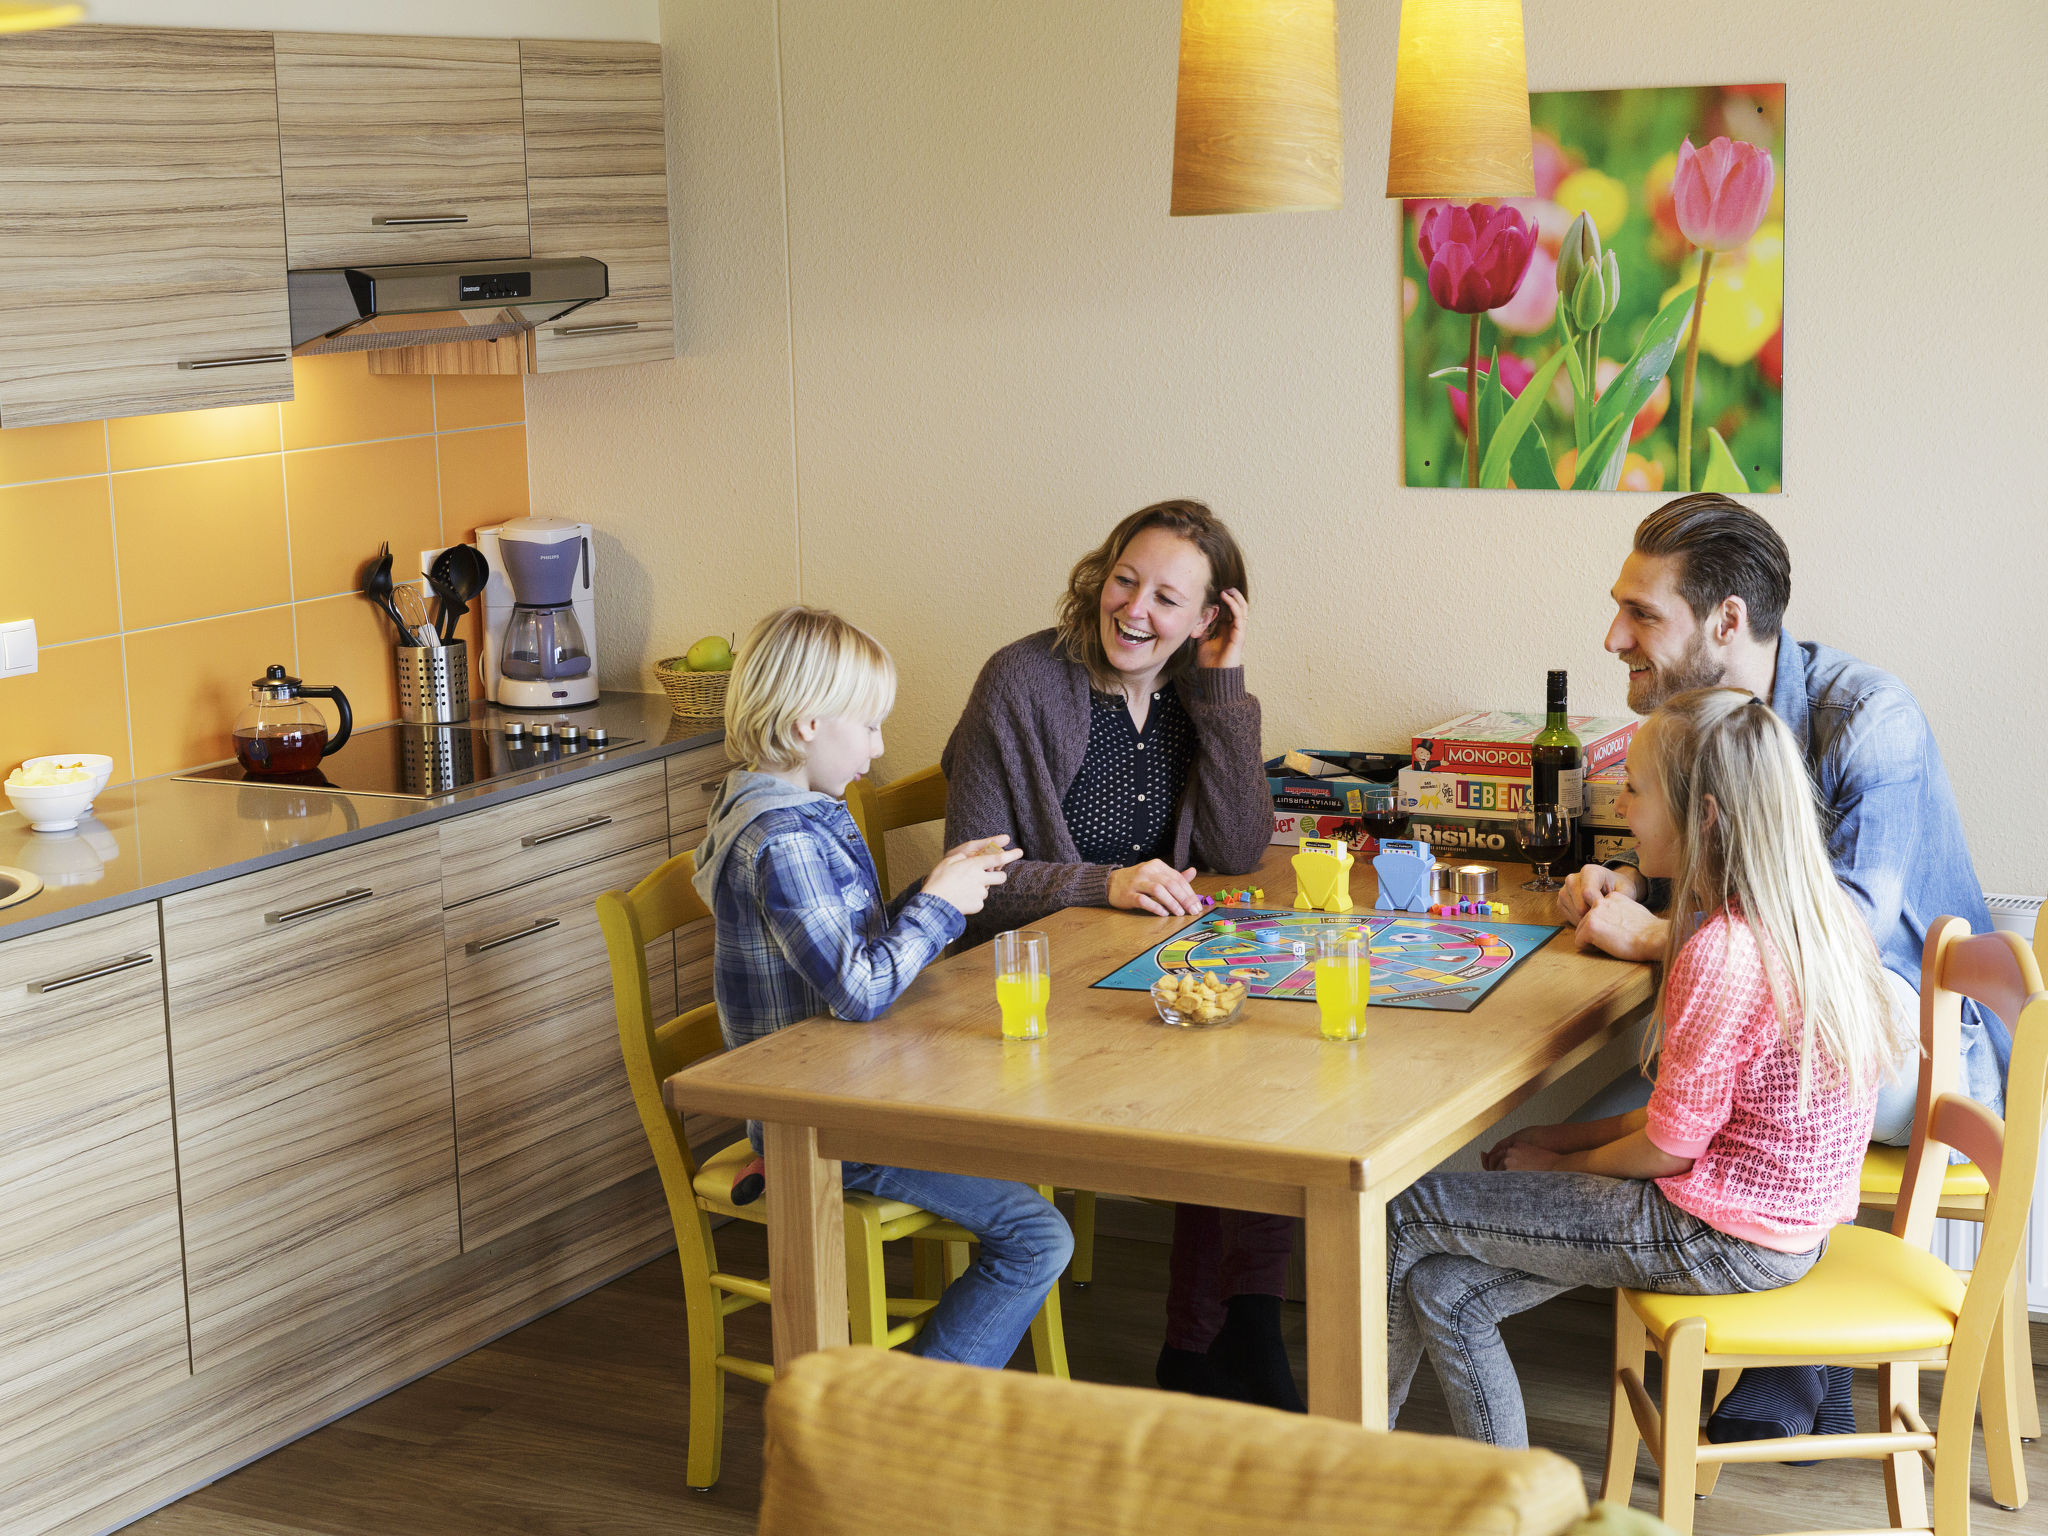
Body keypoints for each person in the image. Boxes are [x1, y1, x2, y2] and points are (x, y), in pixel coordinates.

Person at [1386, 687, 1914, 1447]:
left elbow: (1669, 1149)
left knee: (1406, 1208)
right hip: (1783, 1227)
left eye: (1634, 789)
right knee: (1445, 1290)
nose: (1621, 806)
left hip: (1716, 1234)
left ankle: (1345, 1466)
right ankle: (1509, 1497)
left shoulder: (1725, 952)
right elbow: (1685, 1118)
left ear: (1702, 815)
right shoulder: (1819, 917)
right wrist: (1556, 1146)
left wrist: (1554, 1168)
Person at [941, 500, 1287, 1407]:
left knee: (1262, 1076)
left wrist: (1223, 687)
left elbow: (1242, 845)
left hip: (1133, 979)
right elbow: (971, 878)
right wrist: (1105, 883)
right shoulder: (1023, 682)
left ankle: (1233, 1328)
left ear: (1208, 618)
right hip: (1024, 988)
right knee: (1233, 1083)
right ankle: (1215, 1335)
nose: (1135, 610)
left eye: (1168, 598)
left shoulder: (1185, 694)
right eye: (1125, 580)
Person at [693, 604, 1072, 1369]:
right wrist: (938, 909)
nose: (879, 745)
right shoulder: (786, 841)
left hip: (852, 1091)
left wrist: (937, 887)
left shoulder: (781, 808)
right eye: (867, 726)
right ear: (806, 725)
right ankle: (916, 1413)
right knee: (1039, 1236)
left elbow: (843, 952)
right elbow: (861, 991)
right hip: (825, 1128)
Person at [1564, 494, 2002, 1139]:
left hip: (1918, 1047)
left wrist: (1659, 936)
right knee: (1571, 1146)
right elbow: (1724, 852)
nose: (1613, 637)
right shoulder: (1699, 726)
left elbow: (1848, 934)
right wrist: (1635, 880)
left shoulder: (1870, 718)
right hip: (1785, 1041)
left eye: (1642, 614)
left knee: (1626, 1150)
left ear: (1726, 620)